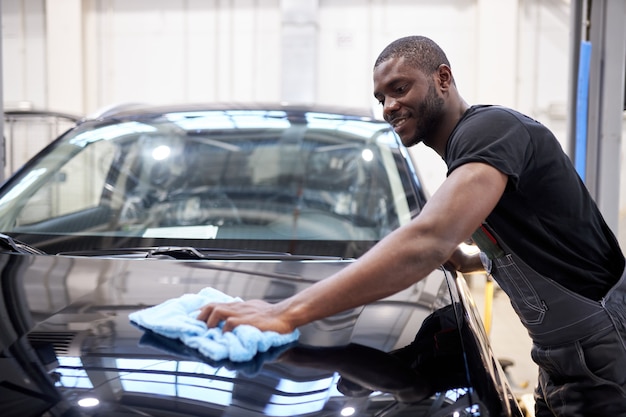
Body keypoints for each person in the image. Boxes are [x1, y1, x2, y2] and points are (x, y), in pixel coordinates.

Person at [198, 35, 626, 415]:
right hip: (566, 357)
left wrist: (284, 313)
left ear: (443, 78)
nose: (388, 107)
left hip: (603, 352)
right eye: (380, 97)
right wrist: (471, 258)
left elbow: (426, 240)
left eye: (399, 89)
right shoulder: (470, 150)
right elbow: (538, 240)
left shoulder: (491, 131)